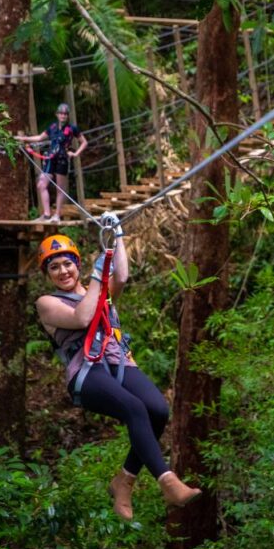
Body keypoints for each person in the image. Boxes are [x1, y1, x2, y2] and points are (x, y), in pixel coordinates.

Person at [34, 220, 200, 521]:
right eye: (54, 267)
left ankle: (124, 481)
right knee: (134, 408)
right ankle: (167, 481)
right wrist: (98, 274)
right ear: (48, 275)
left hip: (119, 362)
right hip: (86, 373)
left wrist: (118, 235)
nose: (63, 271)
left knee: (157, 412)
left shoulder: (101, 291)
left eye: (67, 264)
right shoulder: (47, 303)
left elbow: (121, 275)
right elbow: (83, 318)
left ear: (77, 264)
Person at [15, 103, 88, 222]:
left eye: (65, 114)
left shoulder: (72, 128)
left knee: (60, 188)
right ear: (57, 115)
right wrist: (23, 139)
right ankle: (46, 214)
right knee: (42, 184)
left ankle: (57, 215)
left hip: (62, 159)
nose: (63, 116)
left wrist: (75, 153)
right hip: (51, 157)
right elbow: (39, 138)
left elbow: (84, 142)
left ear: (67, 116)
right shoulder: (53, 127)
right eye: (61, 114)